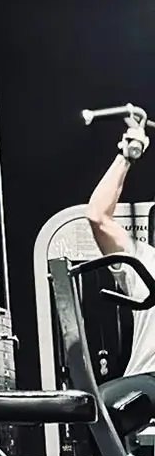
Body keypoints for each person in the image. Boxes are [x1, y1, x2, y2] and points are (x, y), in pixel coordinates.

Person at [87, 115, 155, 418]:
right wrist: (126, 157)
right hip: (150, 379)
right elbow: (98, 217)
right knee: (96, 409)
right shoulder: (145, 259)